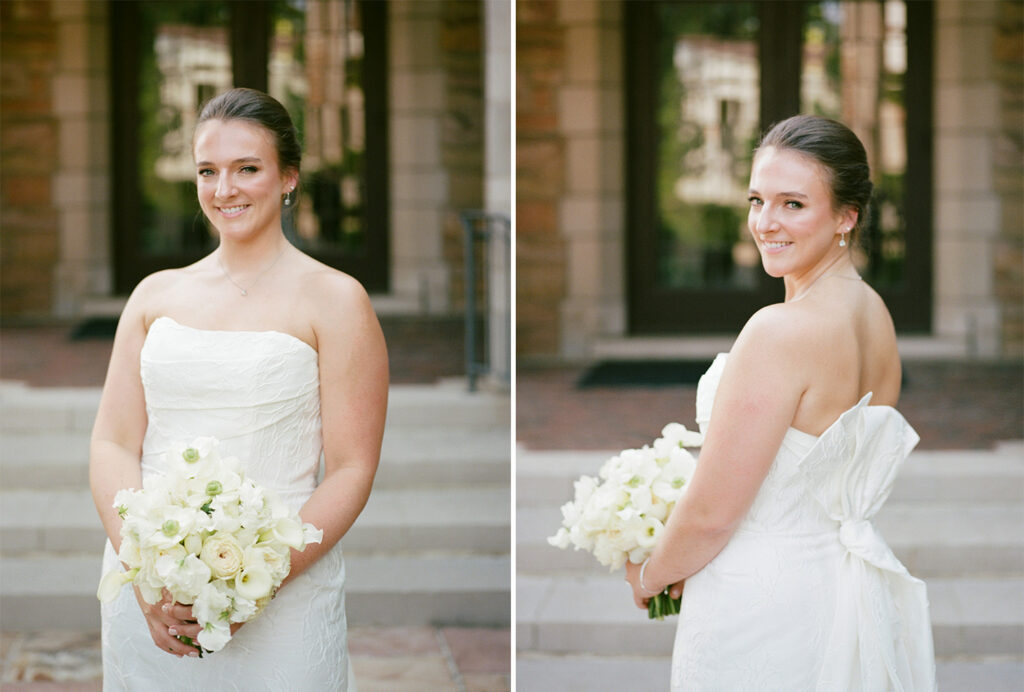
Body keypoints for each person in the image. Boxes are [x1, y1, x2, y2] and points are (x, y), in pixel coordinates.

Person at [90, 87, 388, 690]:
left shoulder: (337, 300)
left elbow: (352, 468)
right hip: (154, 597)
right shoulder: (153, 296)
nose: (224, 189)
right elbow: (114, 443)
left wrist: (251, 579)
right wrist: (147, 572)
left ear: (288, 178)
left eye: (247, 169)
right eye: (208, 171)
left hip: (282, 592)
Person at [625, 115, 936, 690]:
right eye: (756, 200)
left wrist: (649, 573)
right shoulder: (877, 318)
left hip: (761, 605)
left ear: (847, 216)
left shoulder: (779, 331)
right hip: (840, 594)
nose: (765, 223)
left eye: (793, 204)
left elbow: (715, 513)